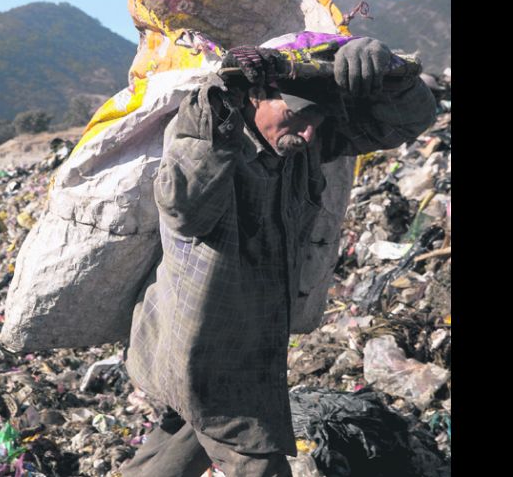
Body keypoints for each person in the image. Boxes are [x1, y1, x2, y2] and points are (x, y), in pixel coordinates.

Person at [121, 37, 436, 477]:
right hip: (202, 352)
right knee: (259, 464)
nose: (308, 133)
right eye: (297, 116)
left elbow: (408, 121)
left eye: (317, 121)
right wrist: (221, 98)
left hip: (251, 347)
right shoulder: (209, 134)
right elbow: (184, 211)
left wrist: (397, 73)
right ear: (254, 98)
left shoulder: (302, 147)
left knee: (173, 449)